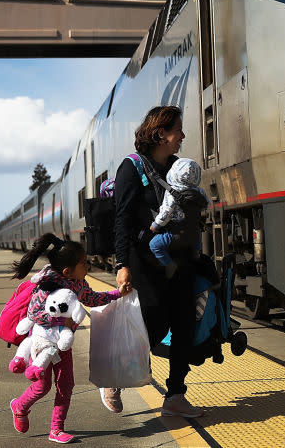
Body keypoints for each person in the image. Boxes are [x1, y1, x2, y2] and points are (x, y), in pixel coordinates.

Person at [103, 105, 205, 418]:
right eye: (178, 130)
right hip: (144, 259)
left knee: (185, 322)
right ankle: (114, 377)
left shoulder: (177, 167)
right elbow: (121, 220)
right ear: (161, 133)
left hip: (179, 257)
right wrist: (122, 264)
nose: (182, 136)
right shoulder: (131, 168)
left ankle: (175, 395)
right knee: (152, 319)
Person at [8, 233, 130, 444]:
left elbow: (93, 299)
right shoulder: (47, 284)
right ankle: (19, 406)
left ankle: (56, 429)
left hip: (63, 344)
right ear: (67, 271)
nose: (88, 266)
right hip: (42, 343)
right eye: (84, 263)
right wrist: (59, 322)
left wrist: (117, 294)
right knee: (42, 387)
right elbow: (33, 313)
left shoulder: (79, 283)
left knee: (66, 385)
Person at [148, 157, 209, 278]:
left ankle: (169, 264)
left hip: (176, 233)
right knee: (196, 241)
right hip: (194, 233)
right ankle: (196, 253)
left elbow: (166, 213)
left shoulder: (172, 193)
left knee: (154, 245)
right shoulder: (200, 192)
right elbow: (205, 205)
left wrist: (155, 225)